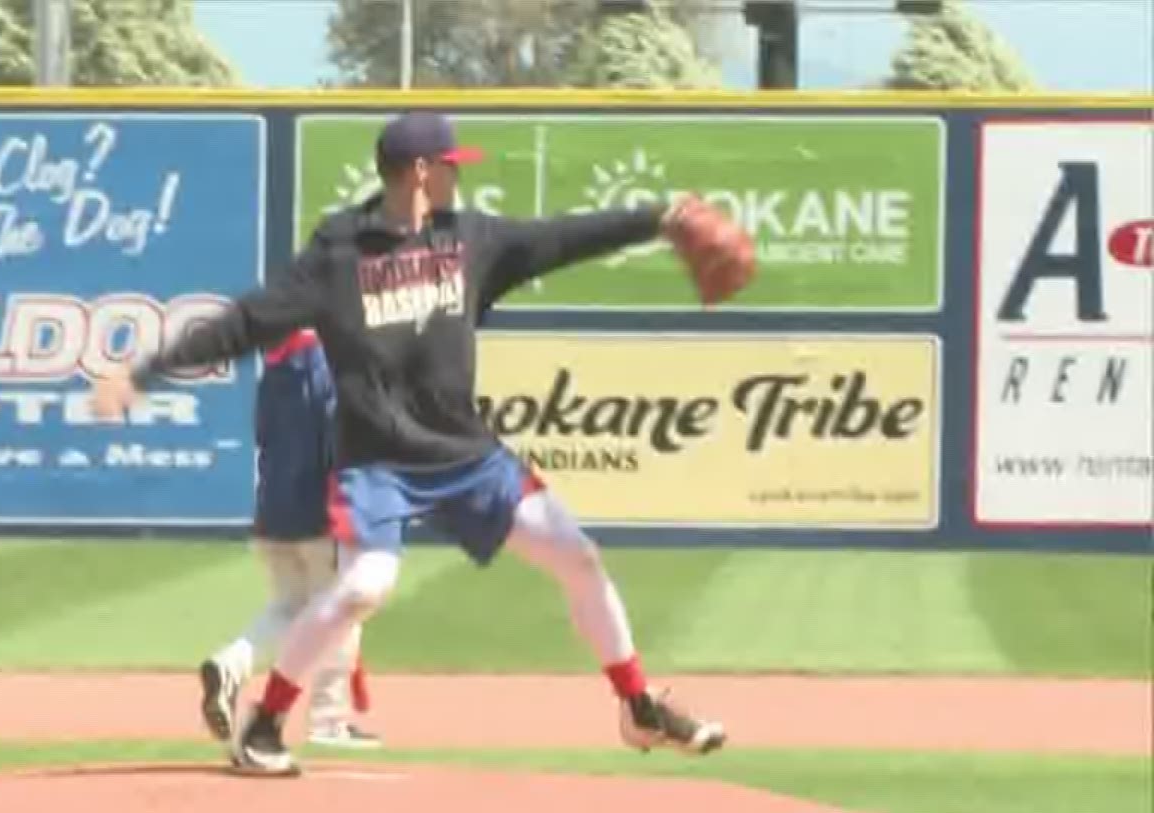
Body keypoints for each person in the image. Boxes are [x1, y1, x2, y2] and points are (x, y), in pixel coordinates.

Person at [93, 110, 754, 776]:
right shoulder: (338, 254)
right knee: (362, 588)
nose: (456, 176)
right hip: (378, 462)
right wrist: (146, 370)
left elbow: (562, 237)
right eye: (449, 165)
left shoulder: (469, 242)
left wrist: (660, 218)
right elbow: (245, 321)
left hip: (464, 455)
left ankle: (638, 708)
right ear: (419, 171)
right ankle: (263, 726)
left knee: (577, 555)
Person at [198, 327, 382, 752]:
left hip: (274, 509)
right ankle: (329, 719)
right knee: (341, 609)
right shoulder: (332, 364)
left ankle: (231, 663)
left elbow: (264, 438)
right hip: (320, 510)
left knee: (288, 607)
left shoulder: (275, 369)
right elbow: (341, 441)